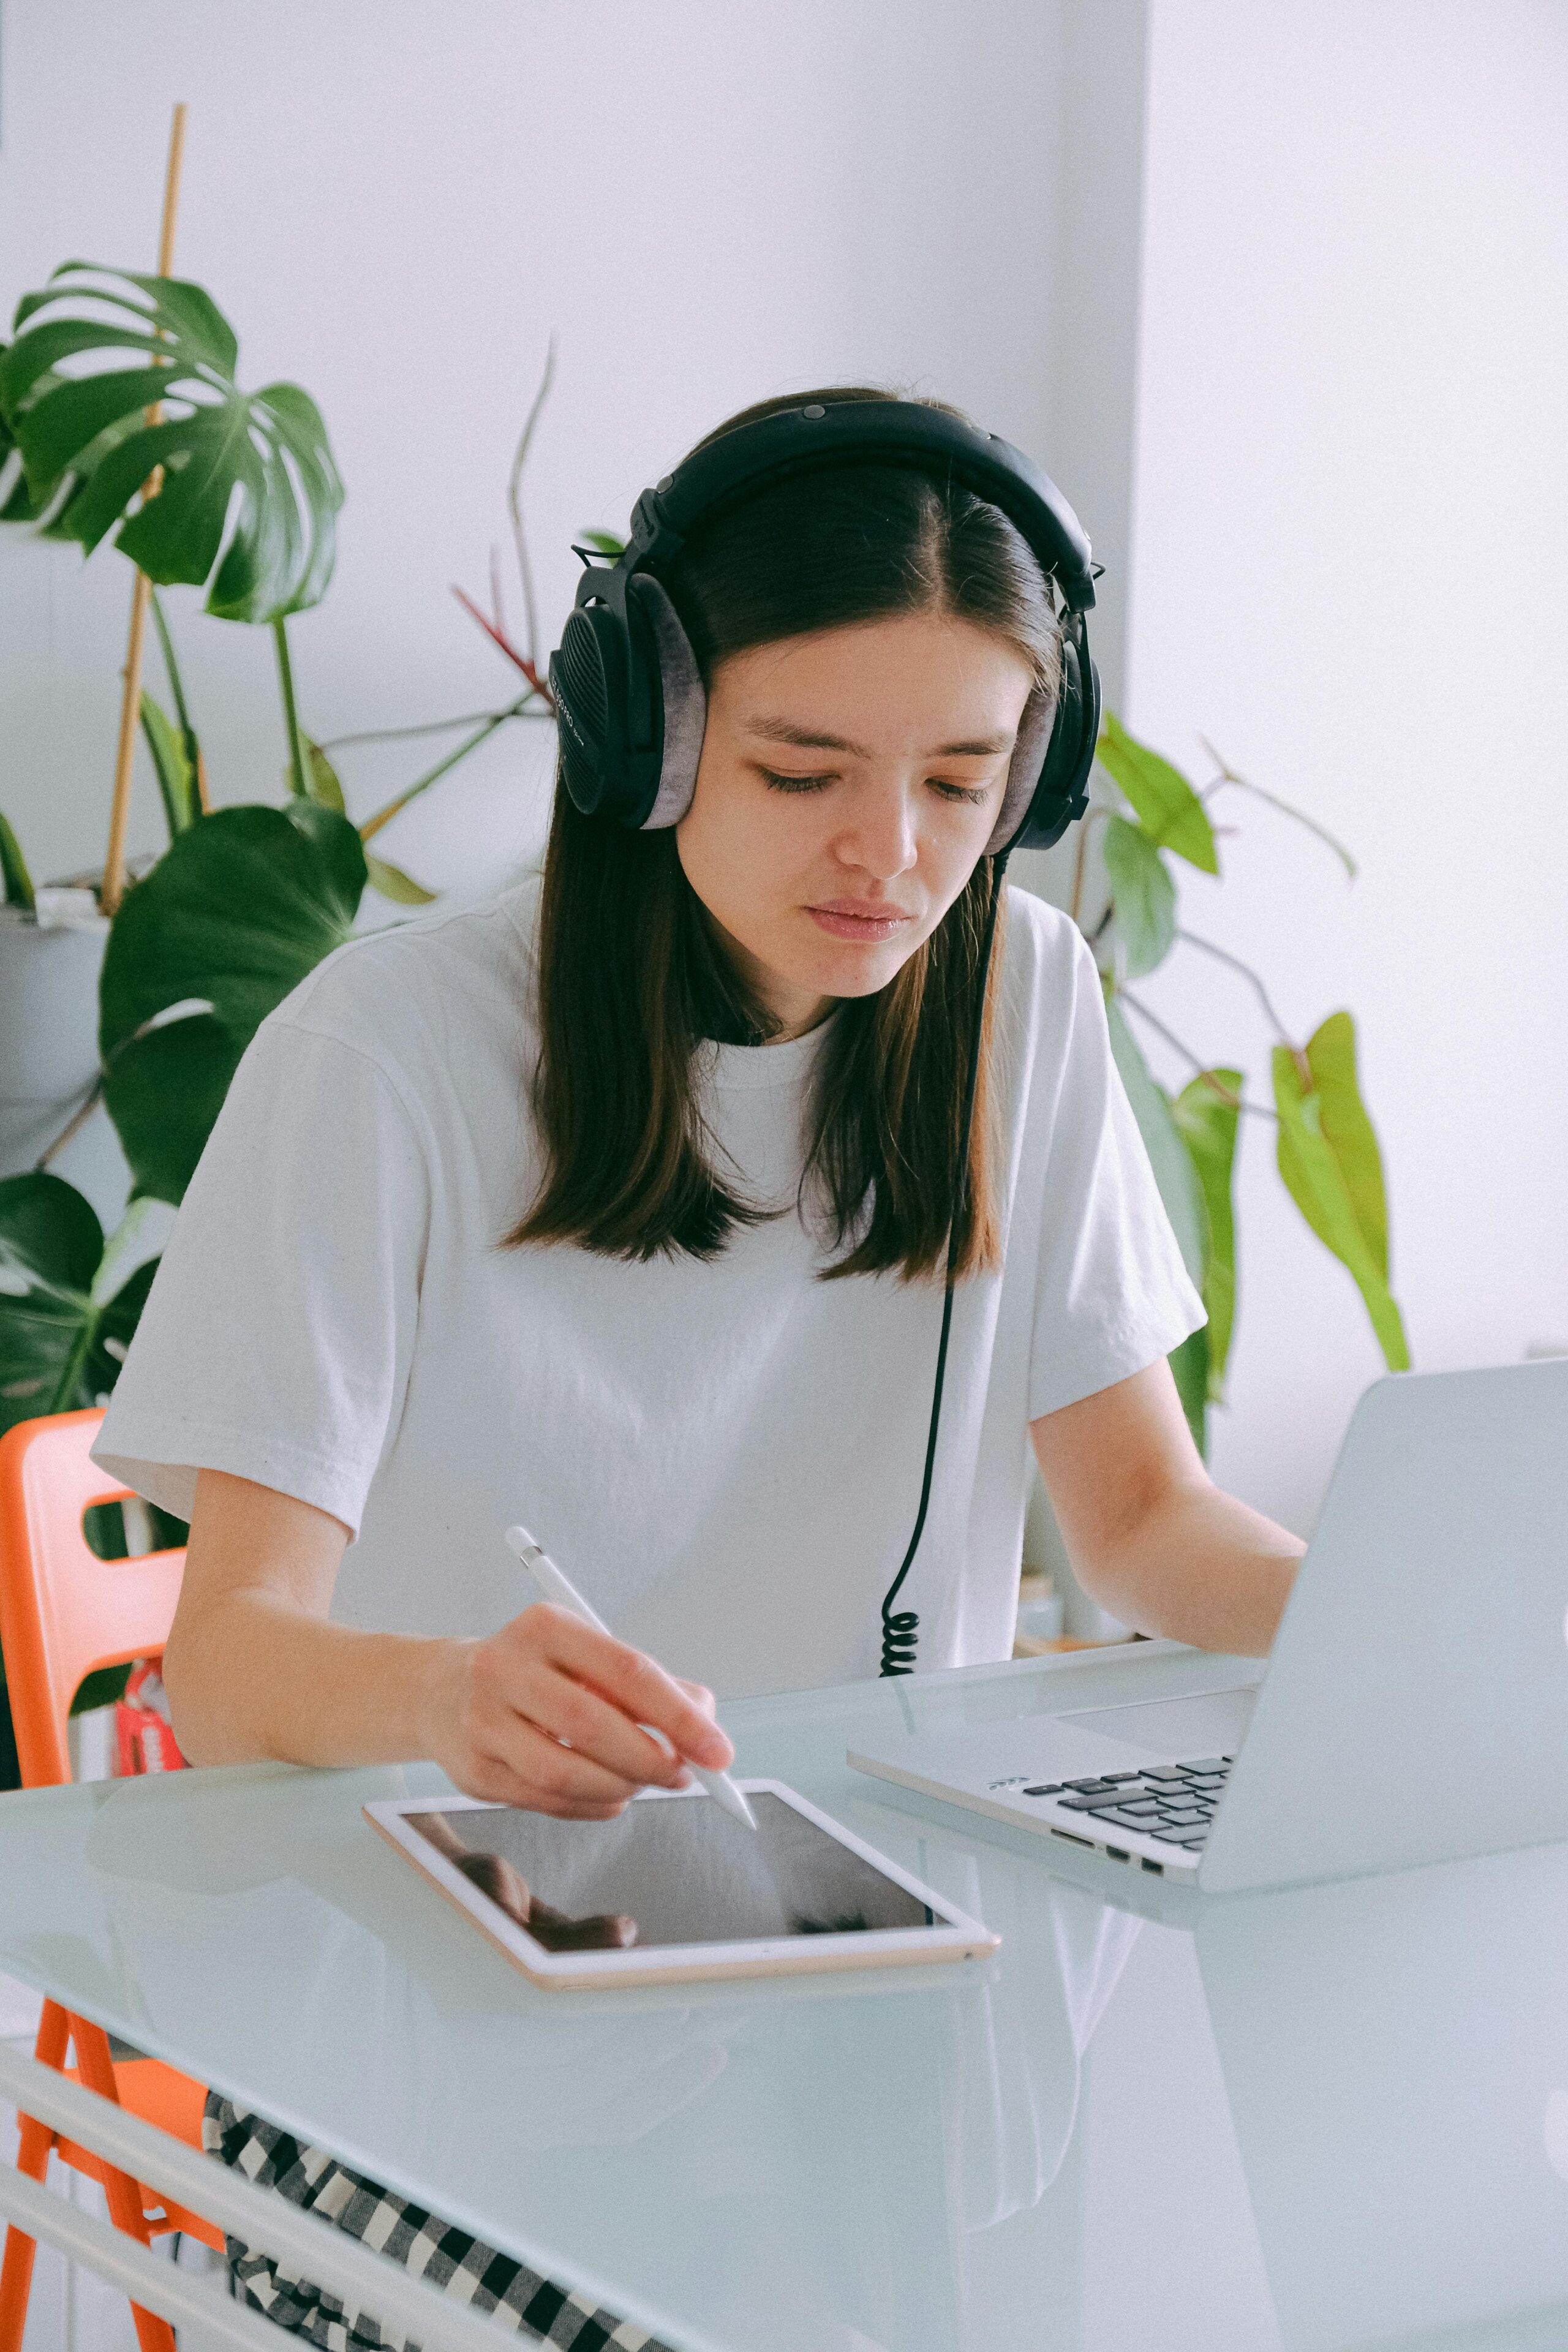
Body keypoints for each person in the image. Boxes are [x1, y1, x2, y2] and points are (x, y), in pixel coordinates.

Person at [95, 385, 1303, 2352]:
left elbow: (1145, 1519)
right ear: (642, 734)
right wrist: (449, 1696)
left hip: (871, 2015)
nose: (889, 858)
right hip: (439, 2025)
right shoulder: (382, 1056)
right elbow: (225, 1659)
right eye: (803, 766)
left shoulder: (1023, 1000)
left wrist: (1416, 1635)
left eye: (962, 781)